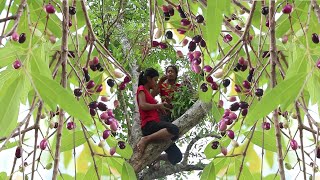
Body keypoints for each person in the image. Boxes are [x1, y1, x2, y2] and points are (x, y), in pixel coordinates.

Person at [136, 68, 182, 166]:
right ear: (148, 78)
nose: (156, 82)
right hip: (149, 125)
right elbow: (142, 105)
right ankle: (146, 139)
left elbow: (153, 102)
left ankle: (157, 157)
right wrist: (158, 105)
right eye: (155, 80)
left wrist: (160, 108)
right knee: (174, 129)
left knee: (177, 156)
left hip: (156, 124)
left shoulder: (148, 93)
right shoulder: (141, 88)